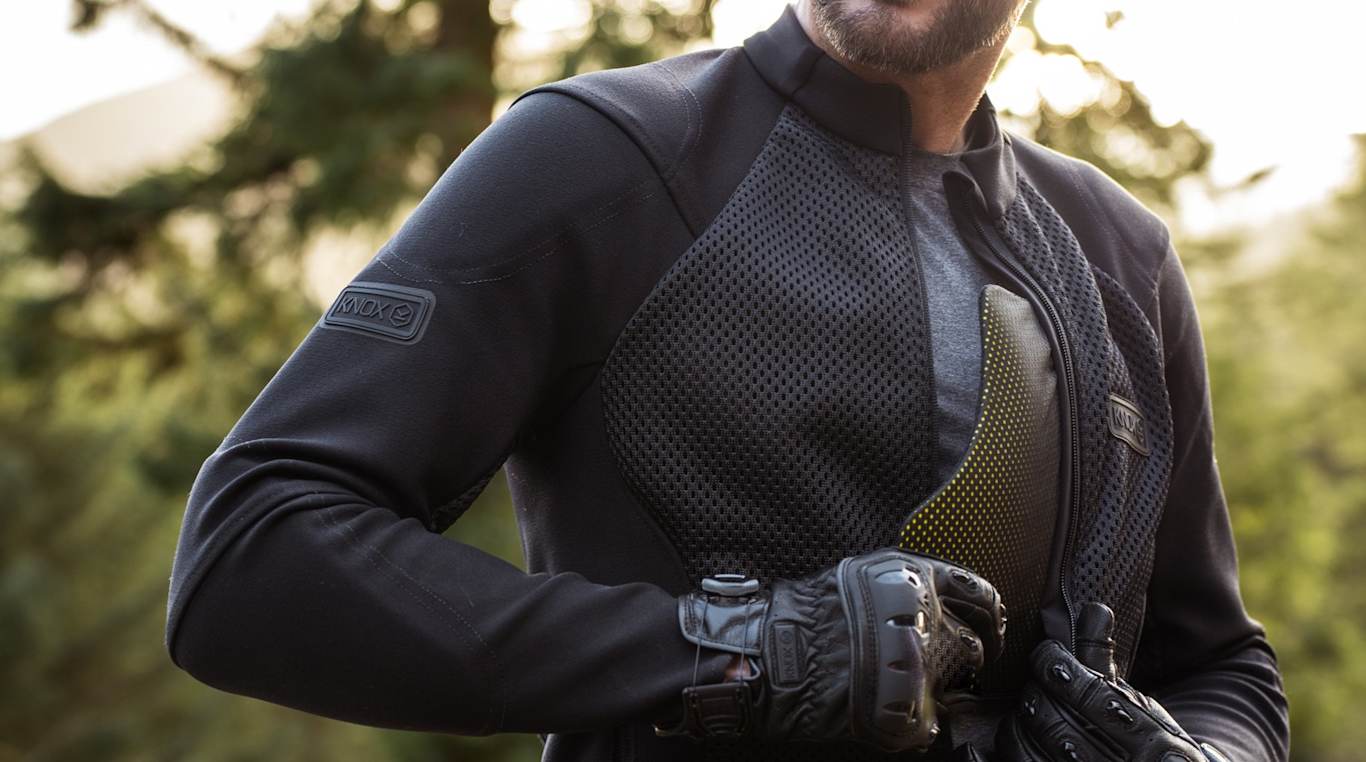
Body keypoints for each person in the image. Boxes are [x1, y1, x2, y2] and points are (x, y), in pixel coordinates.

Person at [164, 1, 1290, 759]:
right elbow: (251, 555)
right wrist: (743, 651)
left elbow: (1221, 667)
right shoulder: (603, 156)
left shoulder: (1118, 254)